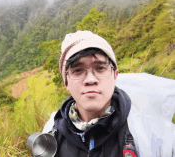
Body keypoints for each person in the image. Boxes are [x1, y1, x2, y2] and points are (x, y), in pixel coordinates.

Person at [42, 31, 175, 157]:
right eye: (78, 70)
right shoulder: (52, 131)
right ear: (66, 81)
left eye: (100, 68)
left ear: (115, 75)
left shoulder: (151, 132)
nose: (90, 80)